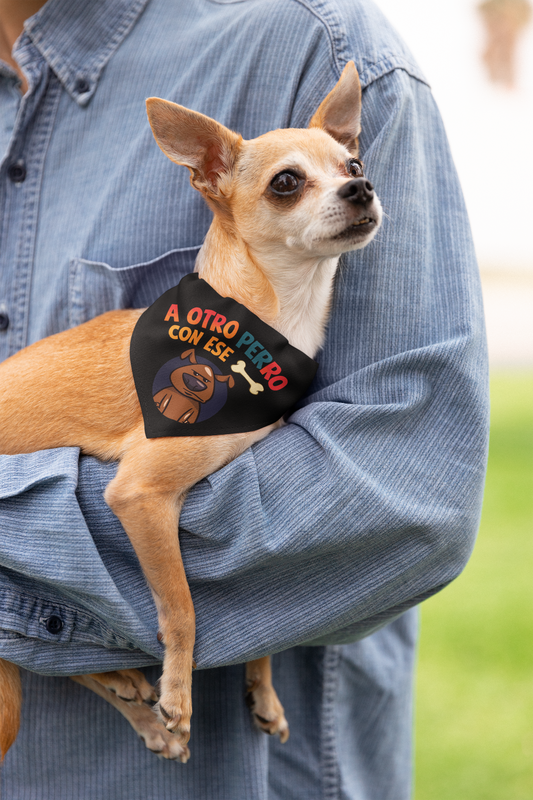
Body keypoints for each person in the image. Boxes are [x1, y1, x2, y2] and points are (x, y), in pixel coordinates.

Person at [0, 0, 489, 797]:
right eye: (290, 185)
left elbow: (403, 499)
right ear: (210, 176)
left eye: (350, 172)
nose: (350, 192)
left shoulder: (316, 42)